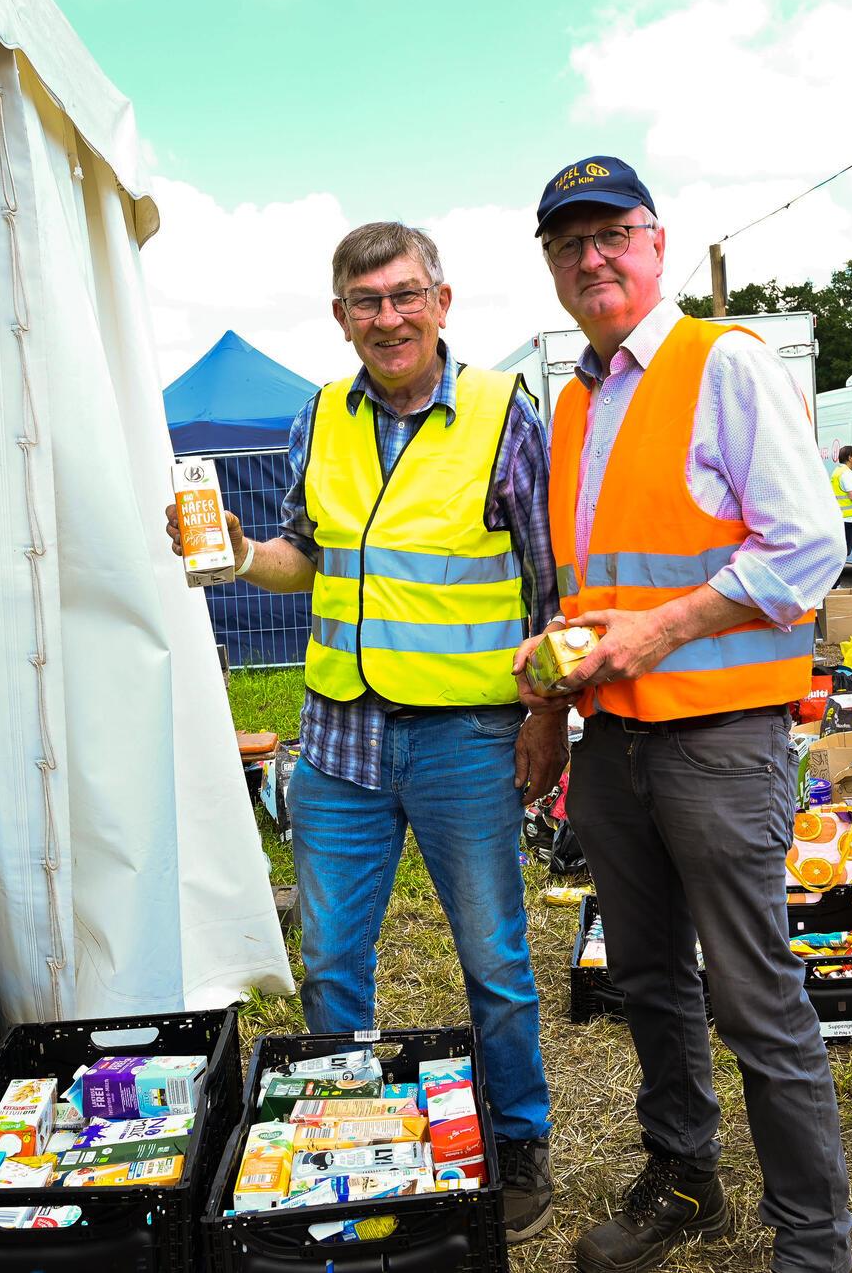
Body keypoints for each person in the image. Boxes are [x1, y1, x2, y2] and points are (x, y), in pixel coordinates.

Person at [164, 222, 561, 1242]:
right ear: (340, 315)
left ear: (442, 300)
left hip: (465, 735)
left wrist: (547, 718)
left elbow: (548, 583)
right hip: (339, 737)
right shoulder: (319, 416)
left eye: (402, 296)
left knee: (495, 961)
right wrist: (239, 553)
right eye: (364, 301)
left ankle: (519, 1141)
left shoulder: (501, 413)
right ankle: (347, 1129)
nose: (386, 317)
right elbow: (307, 551)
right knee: (334, 959)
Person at [515, 156, 852, 1273]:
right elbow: (591, 589)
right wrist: (553, 706)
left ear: (657, 243)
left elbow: (809, 547)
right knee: (647, 979)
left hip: (721, 738)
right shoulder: (574, 402)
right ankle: (686, 1180)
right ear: (553, 268)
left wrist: (659, 632)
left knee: (758, 999)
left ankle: (814, 1243)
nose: (592, 258)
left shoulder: (725, 364)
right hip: (613, 744)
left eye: (611, 234)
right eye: (569, 244)